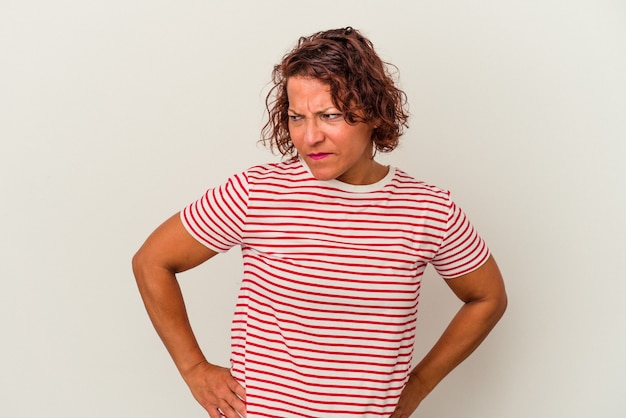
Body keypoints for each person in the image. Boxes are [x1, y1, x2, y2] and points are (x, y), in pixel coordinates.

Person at [132, 27, 507, 418]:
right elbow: (152, 261)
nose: (309, 137)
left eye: (329, 115)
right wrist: (194, 369)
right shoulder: (256, 193)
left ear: (373, 113)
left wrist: (418, 386)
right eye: (297, 117)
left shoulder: (427, 210)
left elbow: (487, 297)